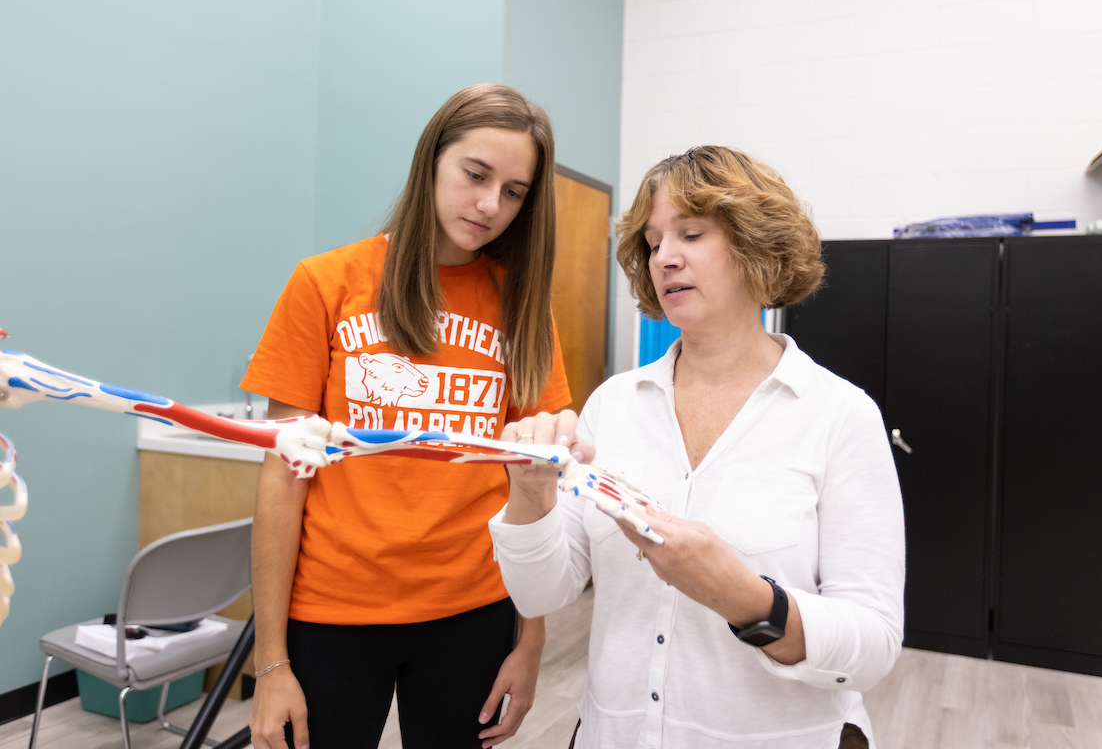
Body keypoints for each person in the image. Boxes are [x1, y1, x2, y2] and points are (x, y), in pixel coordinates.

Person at [490, 146, 905, 748]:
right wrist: (530, 494)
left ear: (755, 245)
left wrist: (744, 598)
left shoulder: (839, 415)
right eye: (654, 242)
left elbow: (872, 645)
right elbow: (545, 590)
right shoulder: (614, 404)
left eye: (691, 233)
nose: (665, 258)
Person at [242, 84, 572, 749]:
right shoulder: (325, 283)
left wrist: (530, 642)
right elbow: (283, 480)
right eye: (475, 175)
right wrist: (270, 659)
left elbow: (537, 485)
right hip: (333, 610)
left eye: (514, 192)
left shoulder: (521, 306)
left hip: (474, 610)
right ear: (431, 162)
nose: (490, 205)